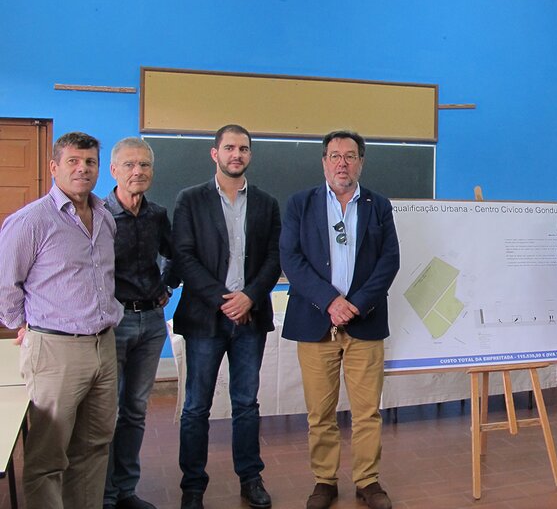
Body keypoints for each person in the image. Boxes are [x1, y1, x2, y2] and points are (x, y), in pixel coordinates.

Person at [280, 130, 400, 509]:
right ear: (324, 162)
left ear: (361, 162)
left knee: (367, 412)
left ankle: (368, 481)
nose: (342, 163)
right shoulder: (300, 204)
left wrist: (356, 304)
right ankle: (324, 481)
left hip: (365, 321)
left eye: (350, 156)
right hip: (315, 321)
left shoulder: (379, 206)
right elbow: (291, 259)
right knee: (320, 412)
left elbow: (389, 261)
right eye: (335, 156)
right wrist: (330, 301)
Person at [0, 132, 121, 508]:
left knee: (94, 446)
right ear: (54, 167)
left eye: (90, 162)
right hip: (55, 349)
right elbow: (6, 284)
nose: (83, 169)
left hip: (104, 346)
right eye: (73, 161)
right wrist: (24, 325)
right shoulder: (31, 221)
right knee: (48, 458)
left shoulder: (105, 217)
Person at [173, 124, 281, 509]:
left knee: (246, 403)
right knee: (196, 407)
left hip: (250, 318)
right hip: (205, 319)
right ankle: (193, 486)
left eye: (244, 148)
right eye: (230, 148)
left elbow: (275, 257)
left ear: (250, 154)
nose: (237, 154)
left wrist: (249, 297)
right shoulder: (190, 200)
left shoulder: (267, 203)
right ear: (214, 153)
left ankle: (250, 479)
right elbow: (184, 257)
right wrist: (225, 300)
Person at [103, 137, 174, 509]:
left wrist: (167, 285)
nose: (138, 171)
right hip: (112, 324)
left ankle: (126, 490)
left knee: (134, 410)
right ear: (114, 170)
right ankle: (105, 495)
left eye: (144, 165)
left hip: (151, 323)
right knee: (107, 411)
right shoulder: (98, 214)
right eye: (130, 165)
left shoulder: (157, 214)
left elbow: (176, 253)